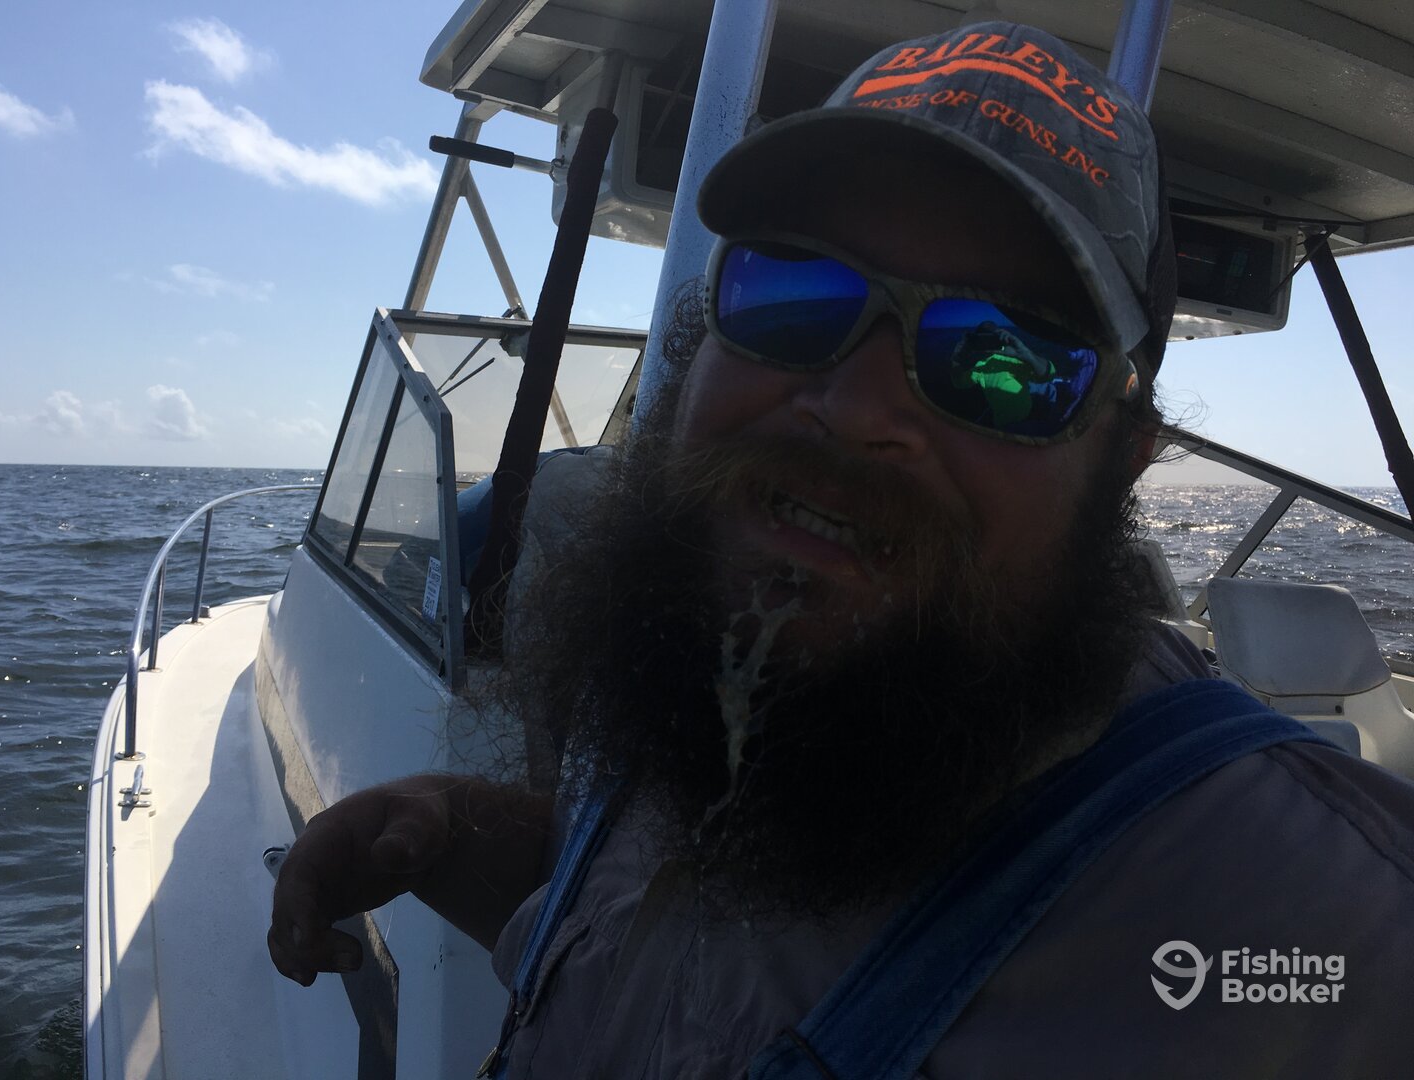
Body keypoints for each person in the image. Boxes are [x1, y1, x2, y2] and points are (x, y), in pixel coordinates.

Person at [268, 22, 1414, 1078]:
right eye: (794, 290)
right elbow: (675, 927)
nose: (855, 408)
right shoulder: (695, 658)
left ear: (1123, 460)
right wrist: (447, 833)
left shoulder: (1338, 934)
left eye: (1002, 359)